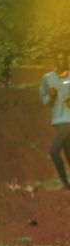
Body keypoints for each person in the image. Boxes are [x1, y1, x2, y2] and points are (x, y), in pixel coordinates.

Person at [40, 52, 70, 189]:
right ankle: (66, 185)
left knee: (54, 151)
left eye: (64, 58)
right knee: (68, 153)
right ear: (55, 61)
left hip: (68, 121)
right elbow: (44, 100)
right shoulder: (48, 78)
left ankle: (64, 183)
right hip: (57, 120)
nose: (62, 61)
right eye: (59, 58)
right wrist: (50, 97)